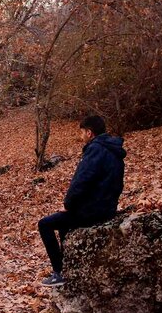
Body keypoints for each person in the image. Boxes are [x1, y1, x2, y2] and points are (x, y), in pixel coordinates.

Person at [38, 115, 126, 286]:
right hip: (107, 207)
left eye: (82, 133)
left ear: (89, 132)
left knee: (45, 224)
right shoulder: (114, 151)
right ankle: (69, 265)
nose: (81, 136)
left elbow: (82, 181)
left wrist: (69, 205)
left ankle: (59, 272)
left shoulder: (95, 149)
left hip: (92, 210)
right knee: (64, 226)